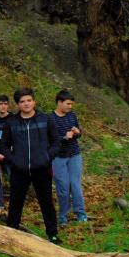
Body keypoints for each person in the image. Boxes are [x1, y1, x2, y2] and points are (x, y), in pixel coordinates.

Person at [0, 87, 61, 244]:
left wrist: (46, 157)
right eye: (22, 101)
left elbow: (56, 142)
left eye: (29, 100)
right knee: (16, 202)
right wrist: (14, 160)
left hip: (42, 169)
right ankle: (11, 234)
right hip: (20, 170)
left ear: (34, 101)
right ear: (18, 104)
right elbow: (3, 145)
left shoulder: (46, 119)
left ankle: (52, 235)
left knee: (46, 202)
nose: (26, 104)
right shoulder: (11, 123)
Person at [50, 90, 86, 225]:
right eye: (68, 104)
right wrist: (64, 138)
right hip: (58, 157)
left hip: (74, 155)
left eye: (71, 104)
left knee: (75, 185)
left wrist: (78, 132)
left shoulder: (72, 115)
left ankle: (81, 214)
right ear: (59, 102)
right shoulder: (50, 119)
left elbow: (78, 133)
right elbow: (50, 140)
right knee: (63, 187)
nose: (70, 106)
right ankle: (63, 216)